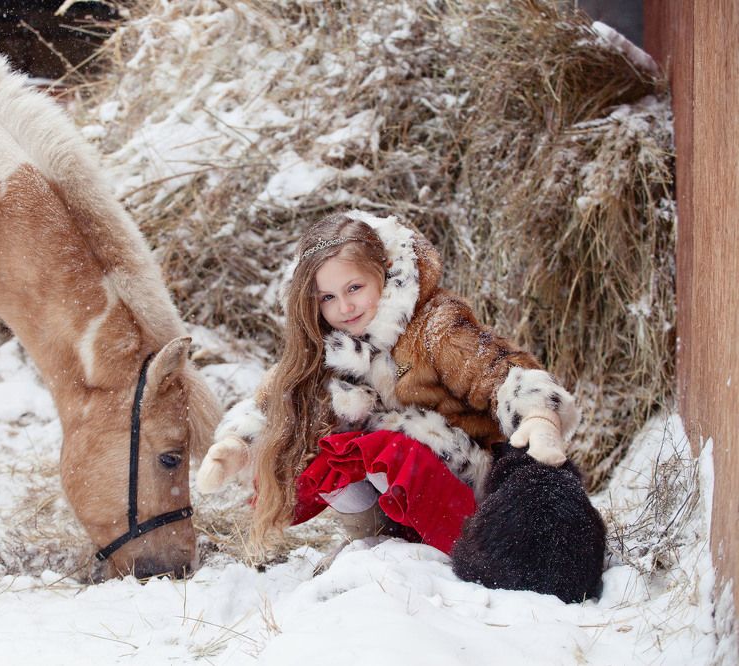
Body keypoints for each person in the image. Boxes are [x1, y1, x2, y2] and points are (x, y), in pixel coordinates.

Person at [196, 210, 580, 552]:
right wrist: (239, 443)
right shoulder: (329, 346)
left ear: (384, 272)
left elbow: (497, 370)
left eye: (354, 288)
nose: (344, 307)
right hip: (396, 489)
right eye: (327, 297)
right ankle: (375, 542)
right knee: (327, 445)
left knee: (383, 445)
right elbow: (278, 399)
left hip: (470, 480)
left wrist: (539, 416)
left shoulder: (434, 326)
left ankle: (449, 542)